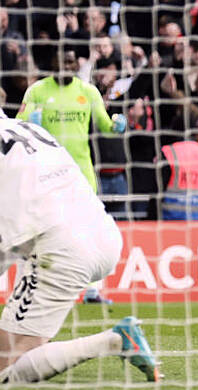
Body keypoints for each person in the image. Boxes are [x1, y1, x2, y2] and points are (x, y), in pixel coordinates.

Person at [0, 78, 157, 383]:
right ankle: (111, 339)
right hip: (104, 235)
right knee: (20, 350)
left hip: (60, 250)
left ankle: (114, 340)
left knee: (3, 374)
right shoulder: (33, 130)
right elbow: (28, 226)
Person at [17, 47, 126, 304]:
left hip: (81, 172)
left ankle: (91, 291)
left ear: (76, 64)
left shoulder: (88, 91)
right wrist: (31, 122)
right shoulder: (37, 91)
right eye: (60, 60)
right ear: (52, 64)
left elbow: (105, 125)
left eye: (69, 60)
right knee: (48, 230)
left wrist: (117, 126)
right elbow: (18, 123)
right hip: (47, 172)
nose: (65, 65)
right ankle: (41, 287)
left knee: (88, 230)